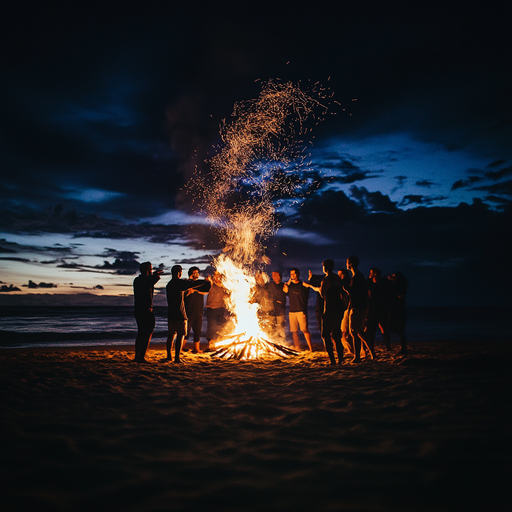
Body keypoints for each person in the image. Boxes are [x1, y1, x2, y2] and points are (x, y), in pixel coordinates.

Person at [305, 260, 344, 365]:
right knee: (336, 334)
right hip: (339, 309)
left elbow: (322, 294)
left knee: (326, 335)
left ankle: (332, 361)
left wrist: (314, 287)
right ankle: (340, 359)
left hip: (330, 309)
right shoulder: (337, 278)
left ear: (325, 268)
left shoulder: (326, 279)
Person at [166, 265, 205, 363]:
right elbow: (191, 284)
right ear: (180, 272)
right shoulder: (179, 283)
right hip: (180, 313)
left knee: (171, 335)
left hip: (171, 313)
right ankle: (177, 358)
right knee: (180, 335)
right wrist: (205, 282)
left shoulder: (169, 284)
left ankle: (169, 356)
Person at [133, 261, 163, 363]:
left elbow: (153, 279)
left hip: (139, 310)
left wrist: (155, 275)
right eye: (150, 268)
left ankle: (138, 356)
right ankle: (140, 357)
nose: (152, 270)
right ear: (146, 270)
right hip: (145, 310)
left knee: (142, 332)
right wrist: (156, 275)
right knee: (146, 332)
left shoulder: (138, 280)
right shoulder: (143, 280)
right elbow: (154, 279)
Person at [343, 255, 371, 362]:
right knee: (357, 332)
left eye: (347, 262)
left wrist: (345, 288)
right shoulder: (357, 276)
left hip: (358, 307)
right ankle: (368, 354)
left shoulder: (357, 277)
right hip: (358, 306)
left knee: (356, 332)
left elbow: (355, 293)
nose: (346, 264)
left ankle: (359, 356)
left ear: (351, 264)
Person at [283, 268, 312, 351]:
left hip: (301, 310)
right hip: (292, 311)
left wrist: (310, 279)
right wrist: (288, 282)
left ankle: (311, 348)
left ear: (298, 274)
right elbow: (285, 291)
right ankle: (297, 347)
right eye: (291, 274)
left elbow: (310, 286)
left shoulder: (303, 284)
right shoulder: (289, 285)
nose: (292, 275)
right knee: (294, 331)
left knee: (305, 330)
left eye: (294, 273)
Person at [184, 267, 211, 353]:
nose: (197, 274)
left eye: (198, 272)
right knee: (186, 331)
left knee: (197, 331)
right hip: (189, 311)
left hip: (199, 311)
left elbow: (206, 291)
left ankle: (196, 348)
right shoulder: (187, 283)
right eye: (195, 273)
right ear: (191, 274)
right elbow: (187, 292)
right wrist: (193, 289)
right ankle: (182, 347)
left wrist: (195, 290)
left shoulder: (200, 284)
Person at [366, 268, 391, 352]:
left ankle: (388, 346)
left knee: (382, 327)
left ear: (375, 274)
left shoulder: (381, 284)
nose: (370, 274)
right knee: (371, 329)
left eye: (371, 273)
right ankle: (371, 347)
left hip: (380, 308)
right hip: (373, 308)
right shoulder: (371, 283)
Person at [205, 271, 229, 349]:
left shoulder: (223, 286)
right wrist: (210, 282)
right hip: (211, 309)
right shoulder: (210, 284)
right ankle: (210, 345)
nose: (215, 276)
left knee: (220, 326)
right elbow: (207, 288)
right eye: (214, 275)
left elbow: (227, 294)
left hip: (220, 309)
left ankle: (218, 343)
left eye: (217, 275)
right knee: (211, 327)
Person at [387, 271, 409, 355]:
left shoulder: (400, 285)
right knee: (392, 327)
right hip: (393, 308)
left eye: (394, 276)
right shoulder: (395, 285)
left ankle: (404, 349)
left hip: (399, 309)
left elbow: (400, 296)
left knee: (400, 329)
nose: (392, 277)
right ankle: (403, 348)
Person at [265, 271, 287, 344]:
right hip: (271, 311)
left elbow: (287, 293)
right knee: (271, 328)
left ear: (281, 276)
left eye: (278, 275)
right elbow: (261, 288)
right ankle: (272, 342)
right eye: (274, 276)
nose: (276, 277)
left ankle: (281, 343)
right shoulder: (269, 285)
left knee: (281, 328)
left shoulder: (284, 285)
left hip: (280, 311)